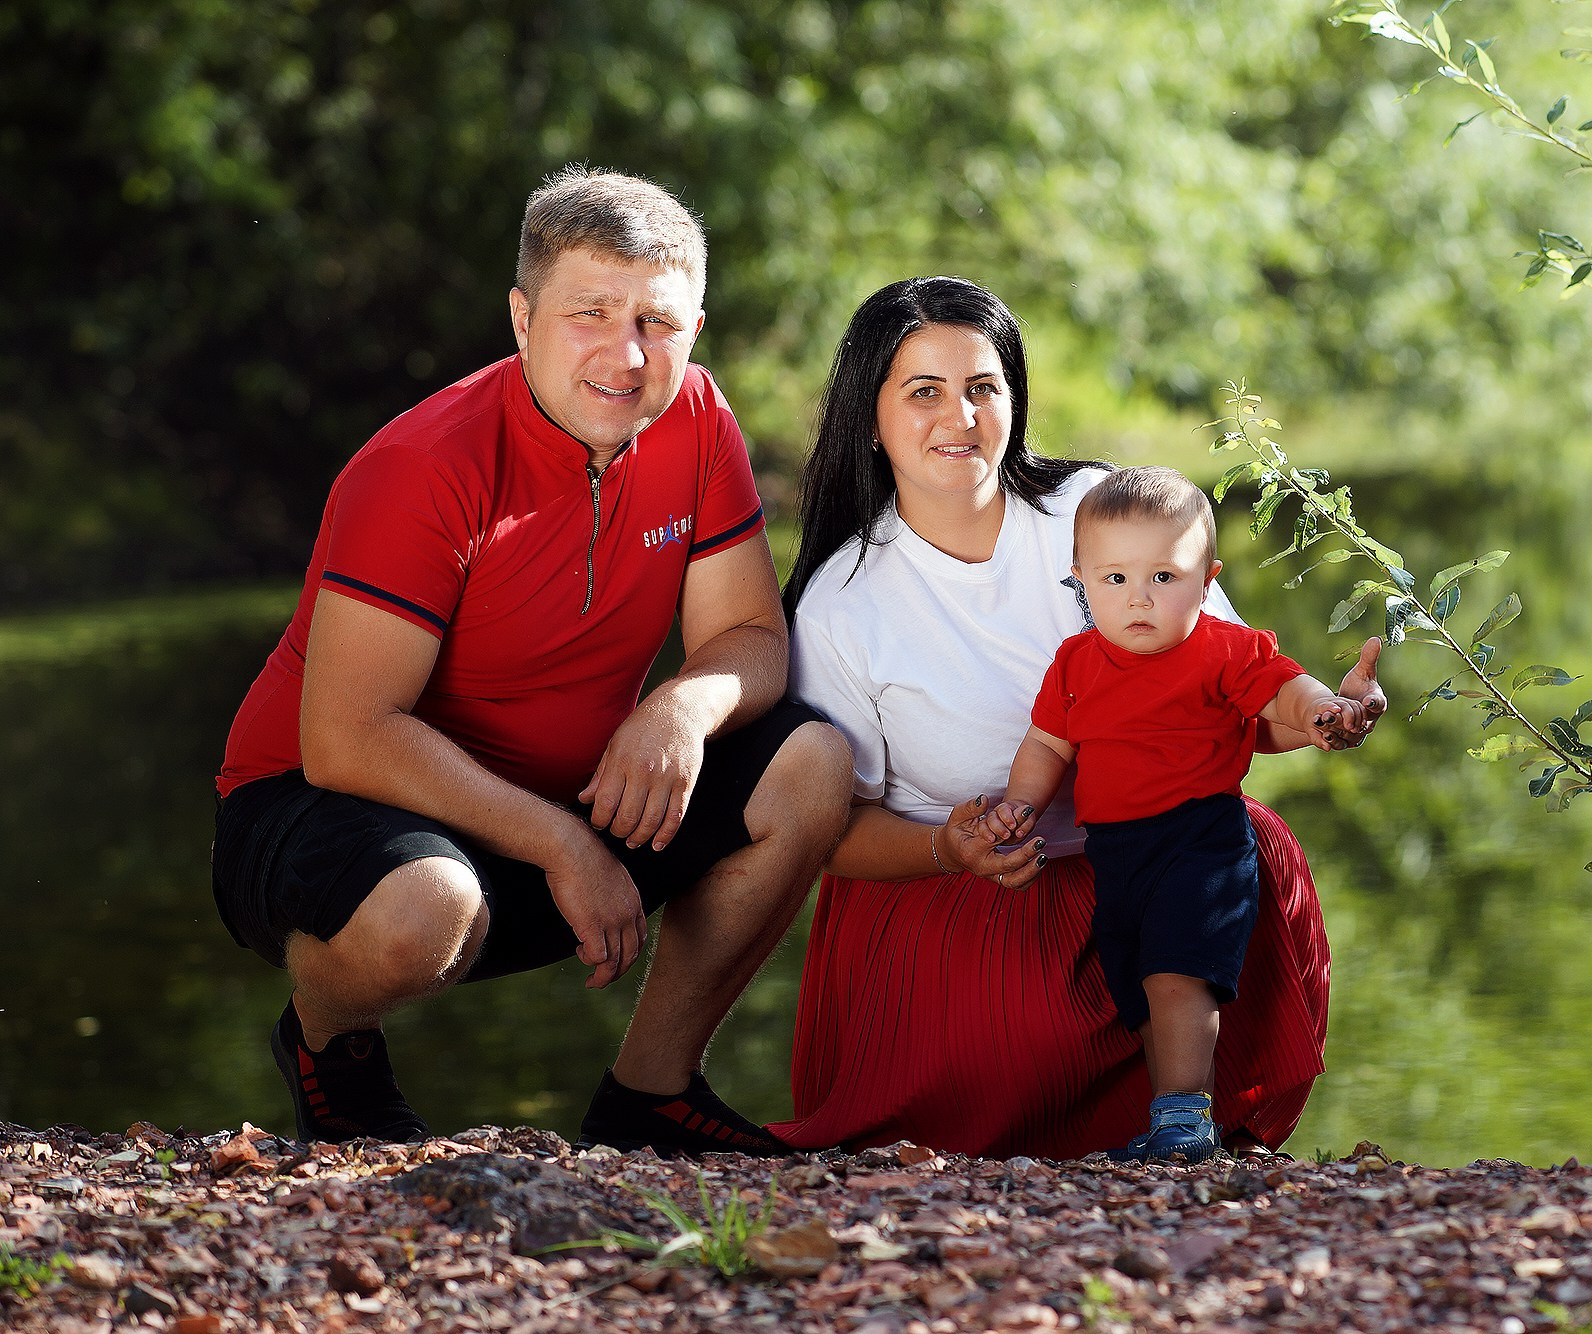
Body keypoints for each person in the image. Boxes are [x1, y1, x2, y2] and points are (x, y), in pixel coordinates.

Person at [209, 165, 852, 1153]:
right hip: (314, 811)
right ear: (520, 317)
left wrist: (677, 709)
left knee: (810, 761)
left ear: (697, 323)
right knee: (428, 910)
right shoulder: (422, 465)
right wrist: (562, 846)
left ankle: (649, 1092)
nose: (626, 352)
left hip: (565, 799)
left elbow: (749, 642)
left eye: (657, 320)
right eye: (588, 311)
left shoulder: (697, 420)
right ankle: (329, 1041)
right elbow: (346, 738)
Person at [772, 276, 1386, 1158]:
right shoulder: (840, 605)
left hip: (1144, 850)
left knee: (1250, 850)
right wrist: (953, 847)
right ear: (870, 419)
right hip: (953, 890)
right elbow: (828, 834)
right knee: (1013, 1061)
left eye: (984, 388)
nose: (962, 416)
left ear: (1015, 402)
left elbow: (1232, 694)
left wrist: (1325, 715)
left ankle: (1191, 1124)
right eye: (924, 392)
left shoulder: (1095, 513)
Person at [980, 465, 1367, 1163]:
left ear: (1206, 578)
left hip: (1202, 840)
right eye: (1116, 579)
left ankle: (1186, 1121)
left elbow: (1284, 690)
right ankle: (1175, 1124)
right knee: (1139, 989)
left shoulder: (1221, 650)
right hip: (1118, 852)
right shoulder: (1075, 664)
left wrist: (1323, 711)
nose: (1139, 599)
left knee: (1178, 974)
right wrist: (1019, 805)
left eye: (1165, 578)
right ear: (1080, 577)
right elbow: (1046, 745)